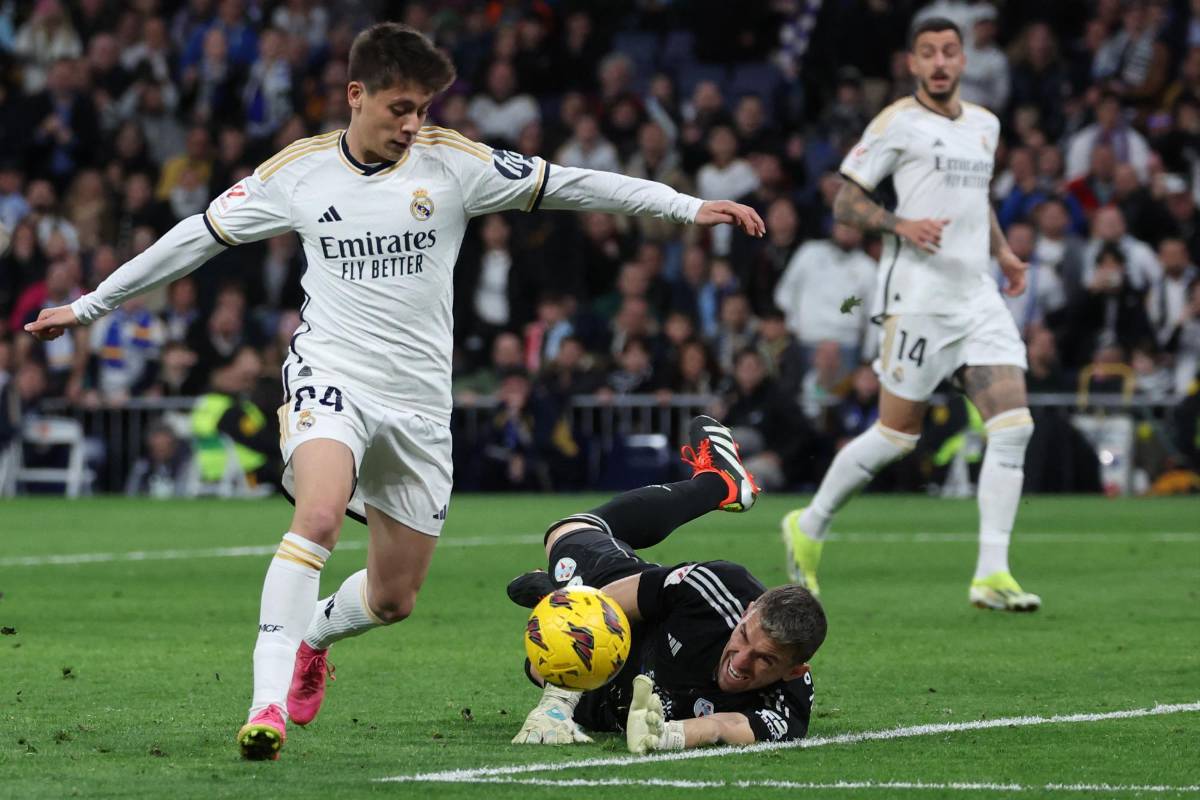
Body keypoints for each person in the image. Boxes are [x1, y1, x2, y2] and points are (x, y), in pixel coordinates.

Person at [24, 23, 765, 761]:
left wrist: (684, 206)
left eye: (423, 109)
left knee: (391, 598)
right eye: (400, 108)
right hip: (331, 375)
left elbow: (567, 182)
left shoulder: (454, 163)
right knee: (315, 517)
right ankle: (266, 706)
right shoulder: (299, 174)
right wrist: (88, 307)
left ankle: (313, 639)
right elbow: (195, 235)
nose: (413, 125)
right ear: (357, 94)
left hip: (417, 408)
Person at [780, 18, 1041, 612]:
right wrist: (901, 224)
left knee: (1013, 426)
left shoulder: (985, 125)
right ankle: (810, 524)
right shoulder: (898, 122)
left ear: (964, 60)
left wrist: (1001, 253)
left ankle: (992, 573)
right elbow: (846, 200)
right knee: (897, 435)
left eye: (950, 51)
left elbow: (979, 200)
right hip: (916, 298)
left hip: (976, 295)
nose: (941, 62)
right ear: (913, 64)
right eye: (929, 53)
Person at [507, 416, 825, 751]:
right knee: (567, 532)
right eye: (745, 636)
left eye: (766, 660)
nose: (741, 661)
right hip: (631, 623)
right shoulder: (714, 590)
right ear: (747, 613)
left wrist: (666, 735)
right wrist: (556, 703)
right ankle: (718, 485)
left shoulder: (790, 704)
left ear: (793, 671)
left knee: (537, 666)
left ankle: (553, 596)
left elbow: (724, 725)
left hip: (611, 703)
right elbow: (607, 607)